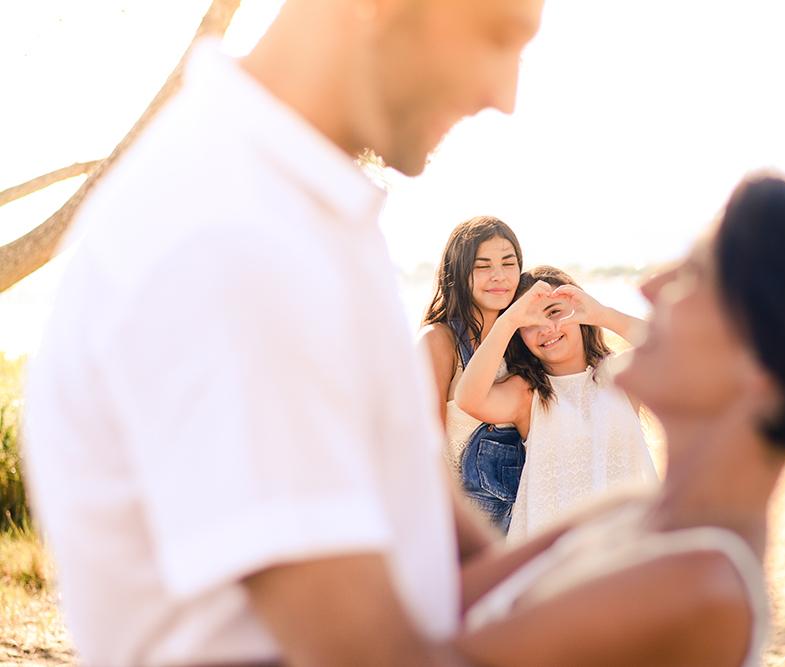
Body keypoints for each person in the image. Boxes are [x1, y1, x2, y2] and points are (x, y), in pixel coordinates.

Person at [22, 0, 545, 665]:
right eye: (496, 36)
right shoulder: (230, 237)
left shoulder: (305, 215)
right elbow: (372, 654)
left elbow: (443, 557)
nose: (505, 95)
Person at [447, 175, 785, 666]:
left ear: (763, 361)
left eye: (695, 274)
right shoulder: (629, 510)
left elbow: (416, 653)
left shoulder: (700, 584)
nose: (649, 285)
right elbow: (451, 605)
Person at [455, 265, 658, 541]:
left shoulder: (620, 375)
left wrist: (602, 314)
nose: (546, 330)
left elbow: (677, 346)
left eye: (554, 313)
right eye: (529, 326)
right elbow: (468, 398)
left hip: (629, 546)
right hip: (557, 558)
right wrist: (509, 321)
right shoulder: (529, 393)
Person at [419, 216, 526, 532]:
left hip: (524, 522)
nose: (499, 276)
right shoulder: (440, 341)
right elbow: (425, 446)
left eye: (509, 263)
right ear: (458, 272)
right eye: (483, 266)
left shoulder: (523, 343)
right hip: (465, 527)